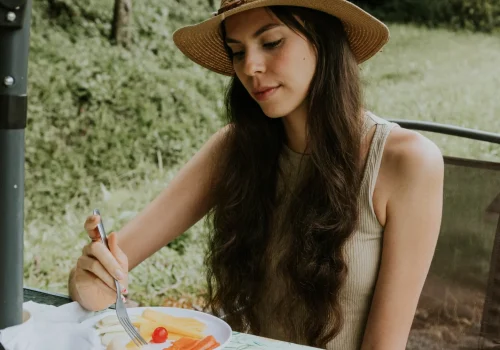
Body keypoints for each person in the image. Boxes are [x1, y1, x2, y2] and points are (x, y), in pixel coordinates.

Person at [68, 1, 445, 349]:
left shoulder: (406, 164)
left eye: (271, 42)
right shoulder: (235, 149)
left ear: (324, 39)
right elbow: (110, 267)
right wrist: (93, 276)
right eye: (237, 51)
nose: (250, 67)